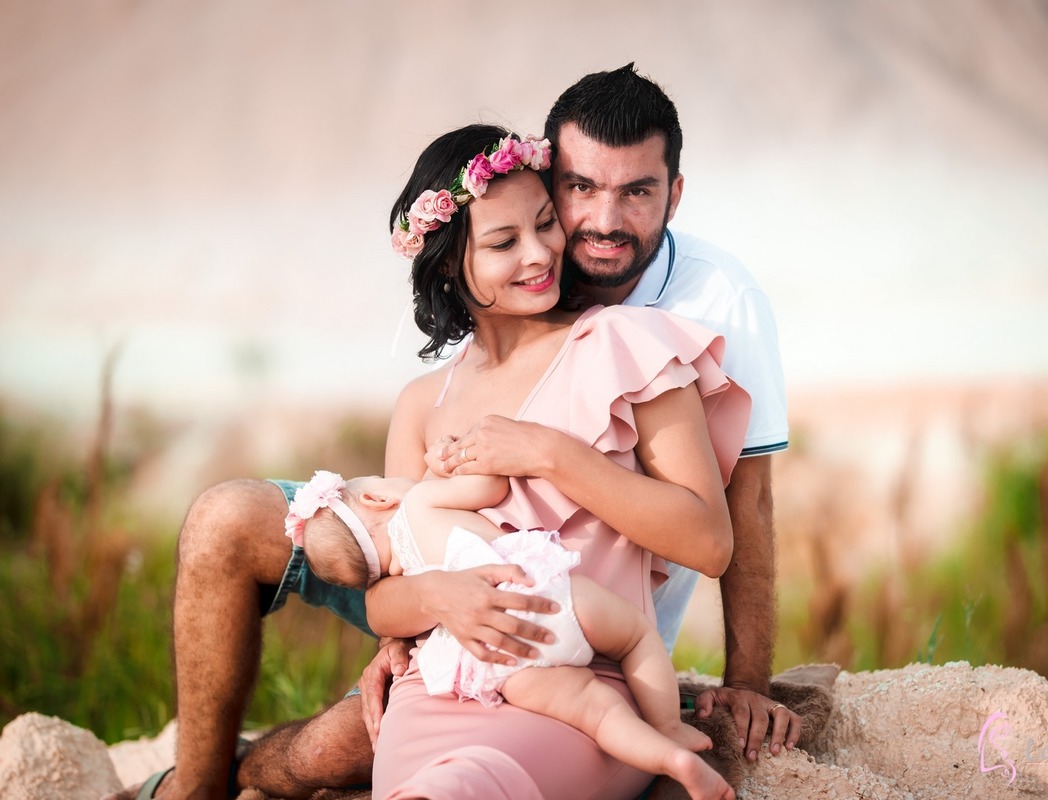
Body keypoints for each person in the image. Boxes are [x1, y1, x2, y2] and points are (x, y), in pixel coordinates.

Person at [106, 65, 794, 800]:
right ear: (450, 267)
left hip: (577, 657)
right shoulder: (424, 402)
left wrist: (546, 454)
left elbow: (727, 523)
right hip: (452, 659)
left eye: (545, 226)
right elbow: (399, 575)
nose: (549, 249)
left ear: (672, 194)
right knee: (247, 570)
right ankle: (199, 786)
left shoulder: (646, 334)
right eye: (510, 237)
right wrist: (421, 614)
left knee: (399, 763)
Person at [288, 468, 729, 799]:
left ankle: (671, 761)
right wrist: (447, 466)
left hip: (494, 653)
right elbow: (490, 486)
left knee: (597, 714)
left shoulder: (399, 573)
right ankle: (668, 727)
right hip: (537, 595)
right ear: (377, 497)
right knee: (636, 636)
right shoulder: (420, 502)